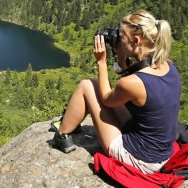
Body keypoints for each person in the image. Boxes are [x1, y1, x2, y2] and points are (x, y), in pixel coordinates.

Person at [50, 10, 181, 174]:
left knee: (88, 85)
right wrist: (122, 59)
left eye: (122, 35)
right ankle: (71, 124)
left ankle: (62, 134)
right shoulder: (168, 65)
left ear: (136, 40)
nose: (118, 38)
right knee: (101, 89)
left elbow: (106, 99)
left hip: (140, 159)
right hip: (161, 153)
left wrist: (101, 62)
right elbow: (135, 87)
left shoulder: (132, 83)